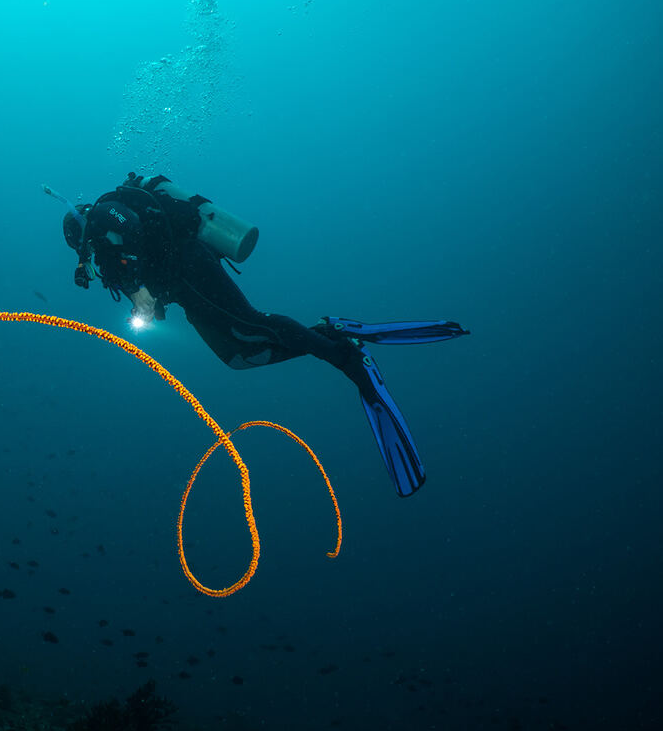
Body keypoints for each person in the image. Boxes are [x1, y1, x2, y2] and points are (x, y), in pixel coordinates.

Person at [53, 173, 468, 496]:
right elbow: (136, 264)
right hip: (183, 289)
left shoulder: (105, 215)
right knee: (236, 356)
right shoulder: (101, 246)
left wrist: (141, 289)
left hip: (191, 266)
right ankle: (329, 335)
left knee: (253, 323)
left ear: (77, 233)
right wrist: (147, 296)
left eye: (80, 250)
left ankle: (344, 359)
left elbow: (141, 236)